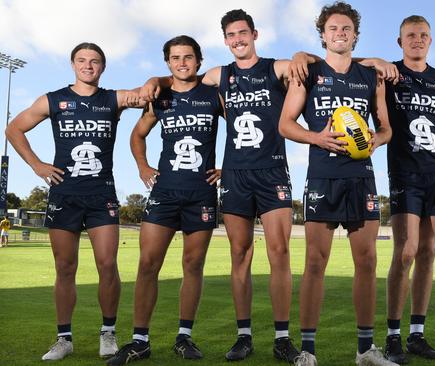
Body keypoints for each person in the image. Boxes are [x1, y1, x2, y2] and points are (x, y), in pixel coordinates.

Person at [138, 9, 318, 363]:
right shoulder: (219, 76)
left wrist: (303, 55)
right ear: (225, 40)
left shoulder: (277, 67)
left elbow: (316, 63)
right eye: (231, 35)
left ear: (254, 34)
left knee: (279, 253)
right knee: (240, 255)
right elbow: (182, 77)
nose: (238, 39)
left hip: (273, 173)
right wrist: (153, 80)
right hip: (235, 178)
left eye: (243, 33)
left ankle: (282, 338)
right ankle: (244, 336)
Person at [5, 42, 142, 360]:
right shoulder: (53, 99)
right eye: (82, 60)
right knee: (65, 267)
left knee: (108, 264)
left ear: (103, 67)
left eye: (95, 61)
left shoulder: (112, 99)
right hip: (64, 195)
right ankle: (63, 338)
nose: (88, 66)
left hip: (101, 194)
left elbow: (143, 92)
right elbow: (13, 129)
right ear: (73, 64)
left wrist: (160, 83)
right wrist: (37, 165)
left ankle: (108, 333)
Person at [278, 2, 395, 365]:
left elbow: (386, 127)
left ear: (355, 35)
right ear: (323, 35)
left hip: (361, 179)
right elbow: (285, 123)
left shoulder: (370, 77)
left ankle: (365, 350)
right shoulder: (308, 73)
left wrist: (376, 140)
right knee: (315, 262)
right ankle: (308, 352)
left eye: (346, 28)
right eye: (333, 28)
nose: (340, 33)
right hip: (323, 177)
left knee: (368, 262)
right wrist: (317, 138)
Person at [107, 35, 221, 365]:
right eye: (175, 58)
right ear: (168, 63)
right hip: (165, 192)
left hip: (201, 192)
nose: (182, 62)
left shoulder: (214, 95)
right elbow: (137, 134)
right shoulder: (161, 97)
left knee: (193, 265)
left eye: (188, 57)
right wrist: (142, 166)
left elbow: (247, 130)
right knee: (147, 264)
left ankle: (184, 337)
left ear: (199, 61)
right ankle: (140, 340)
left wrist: (229, 168)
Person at [379, 15, 435, 364]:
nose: (417, 40)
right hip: (405, 175)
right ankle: (393, 335)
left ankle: (417, 334)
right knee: (406, 250)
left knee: (428, 252)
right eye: (410, 36)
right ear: (400, 42)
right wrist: (378, 62)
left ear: (431, 40)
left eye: (423, 35)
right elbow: (351, 62)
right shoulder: (389, 74)